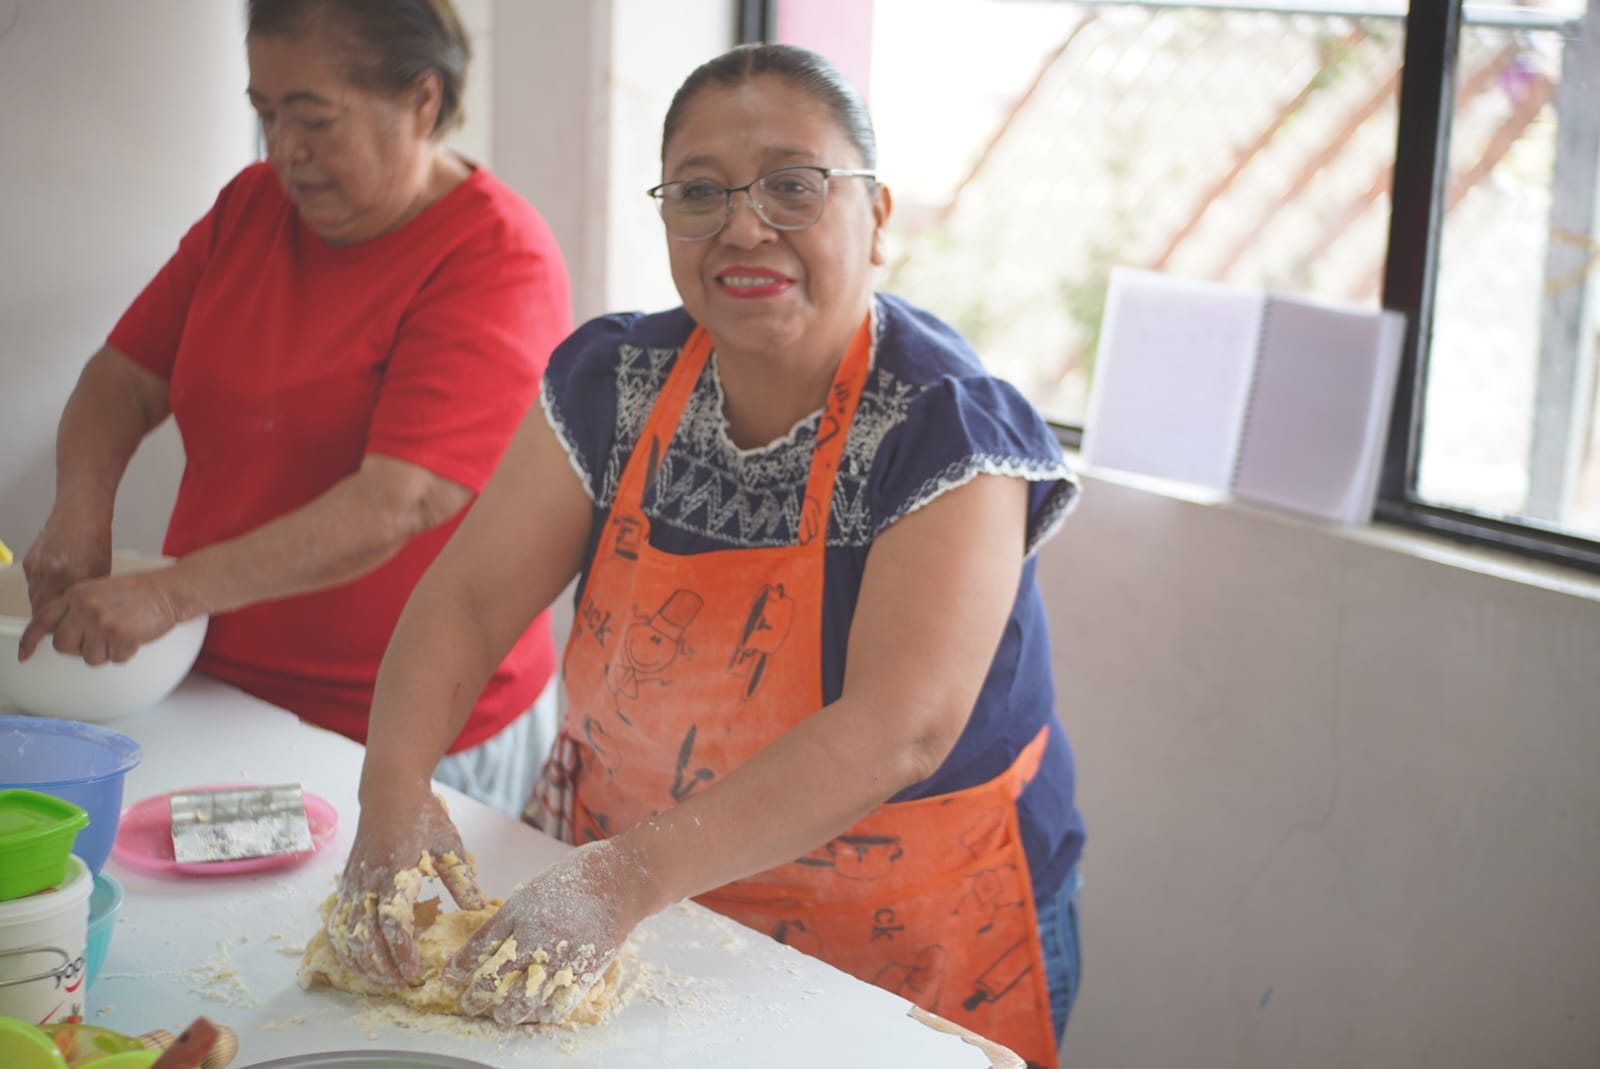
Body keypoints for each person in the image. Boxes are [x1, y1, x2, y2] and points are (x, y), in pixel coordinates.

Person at [328, 43, 1085, 1067]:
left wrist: (616, 882)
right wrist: (390, 795)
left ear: (878, 220)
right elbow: (466, 602)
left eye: (791, 185)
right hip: (635, 900)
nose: (742, 224)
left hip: (898, 934)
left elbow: (897, 728)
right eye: (698, 191)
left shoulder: (946, 428)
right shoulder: (615, 379)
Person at [18, 0, 571, 814]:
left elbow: (397, 501)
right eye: (265, 115)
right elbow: (122, 378)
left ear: (422, 102)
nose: (284, 153)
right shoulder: (251, 207)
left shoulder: (496, 257)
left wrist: (170, 593)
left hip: (415, 729)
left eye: (314, 119)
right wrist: (80, 506)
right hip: (215, 686)